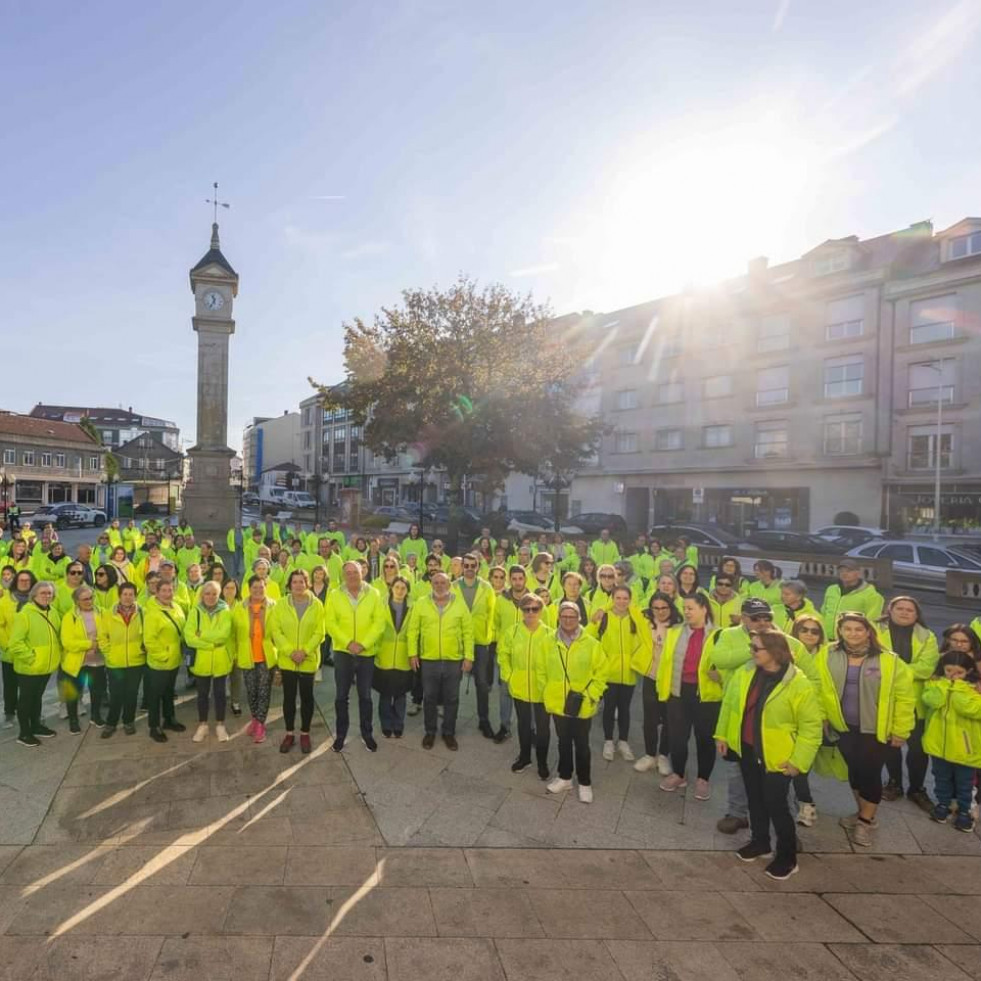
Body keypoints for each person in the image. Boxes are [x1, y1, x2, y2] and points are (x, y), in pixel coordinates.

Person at [715, 630, 822, 880]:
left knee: (777, 805)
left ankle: (787, 857)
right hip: (748, 749)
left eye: (755, 649)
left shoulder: (798, 683)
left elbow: (811, 728)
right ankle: (760, 842)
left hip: (778, 757)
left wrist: (798, 762)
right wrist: (722, 735)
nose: (750, 652)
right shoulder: (746, 672)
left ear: (774, 652)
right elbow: (730, 705)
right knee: (755, 799)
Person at [815, 611, 915, 847]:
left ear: (869, 631)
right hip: (843, 726)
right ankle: (864, 813)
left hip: (875, 729)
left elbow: (904, 698)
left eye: (859, 629)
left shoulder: (888, 660)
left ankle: (865, 821)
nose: (853, 634)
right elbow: (820, 688)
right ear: (839, 631)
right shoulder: (827, 654)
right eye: (847, 629)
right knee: (854, 771)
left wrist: (901, 730)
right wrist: (821, 717)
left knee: (870, 772)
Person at [538, 601, 607, 801]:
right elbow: (541, 670)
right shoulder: (547, 641)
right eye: (564, 616)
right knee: (563, 741)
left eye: (572, 616)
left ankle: (585, 781)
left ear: (579, 618)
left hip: (582, 704)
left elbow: (601, 672)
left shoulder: (592, 644)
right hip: (558, 703)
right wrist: (548, 692)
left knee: (582, 744)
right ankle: (565, 776)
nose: (568, 620)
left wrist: (591, 694)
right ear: (559, 617)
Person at [876, 596, 940, 811]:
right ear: (890, 610)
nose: (904, 613)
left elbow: (927, 668)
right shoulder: (875, 630)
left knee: (917, 748)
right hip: (885, 696)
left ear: (916, 614)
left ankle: (917, 789)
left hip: (915, 699)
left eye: (910, 610)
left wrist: (894, 670)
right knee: (890, 744)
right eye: (900, 608)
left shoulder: (927, 636)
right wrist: (904, 670)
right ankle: (894, 783)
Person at [657, 594, 718, 799]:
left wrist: (720, 676)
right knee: (677, 736)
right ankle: (679, 773)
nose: (687, 612)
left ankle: (703, 779)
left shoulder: (718, 635)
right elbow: (665, 663)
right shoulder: (675, 632)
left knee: (705, 738)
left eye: (691, 608)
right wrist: (663, 690)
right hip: (678, 691)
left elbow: (727, 666)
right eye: (685, 608)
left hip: (705, 695)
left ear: (704, 609)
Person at [408, 571, 474, 750]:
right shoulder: (421, 603)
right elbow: (413, 630)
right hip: (429, 659)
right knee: (429, 697)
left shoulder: (459, 604)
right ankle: (430, 732)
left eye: (443, 583)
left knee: (452, 698)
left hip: (454, 659)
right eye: (436, 583)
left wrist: (469, 656)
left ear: (449, 585)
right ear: (431, 585)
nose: (439, 586)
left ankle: (448, 733)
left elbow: (468, 632)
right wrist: (412, 654)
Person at [323, 562, 384, 753]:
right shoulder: (334, 595)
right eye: (347, 573)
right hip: (343, 652)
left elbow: (379, 622)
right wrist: (349, 643)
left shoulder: (373, 593)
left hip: (366, 653)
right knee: (341, 696)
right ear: (343, 575)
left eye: (355, 572)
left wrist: (363, 644)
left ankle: (367, 734)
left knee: (365, 696)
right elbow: (330, 623)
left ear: (362, 573)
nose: (351, 575)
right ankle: (341, 735)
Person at [921, 650, 981, 832]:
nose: (953, 676)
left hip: (965, 748)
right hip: (939, 744)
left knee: (965, 782)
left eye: (959, 673)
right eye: (948, 671)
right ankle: (943, 804)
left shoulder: (973, 690)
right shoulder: (935, 684)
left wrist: (959, 688)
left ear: (968, 671)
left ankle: (965, 811)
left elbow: (970, 709)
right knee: (941, 777)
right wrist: (943, 685)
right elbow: (932, 701)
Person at [498, 592, 553, 779]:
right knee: (523, 724)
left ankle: (543, 761)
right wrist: (509, 675)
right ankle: (524, 757)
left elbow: (556, 660)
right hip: (519, 686)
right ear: (521, 611)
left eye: (535, 609)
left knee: (543, 728)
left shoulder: (549, 634)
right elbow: (503, 654)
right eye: (526, 609)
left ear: (541, 610)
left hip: (542, 688)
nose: (531, 613)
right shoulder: (512, 631)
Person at [589, 584, 641, 762]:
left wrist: (636, 661)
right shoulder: (603, 617)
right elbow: (590, 637)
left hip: (629, 672)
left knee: (625, 708)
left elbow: (642, 641)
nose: (621, 601)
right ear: (612, 599)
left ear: (630, 600)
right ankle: (608, 740)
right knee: (609, 708)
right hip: (608, 672)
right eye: (618, 598)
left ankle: (624, 741)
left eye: (625, 598)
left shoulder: (635, 618)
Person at [632, 592, 680, 775]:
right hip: (650, 676)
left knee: (669, 718)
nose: (660, 611)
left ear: (671, 607)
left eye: (664, 608)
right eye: (656, 608)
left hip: (670, 678)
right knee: (650, 718)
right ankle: (650, 754)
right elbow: (627, 603)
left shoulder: (678, 626)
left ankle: (663, 756)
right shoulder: (646, 623)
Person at [9, 581, 62, 747]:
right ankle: (24, 733)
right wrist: (32, 658)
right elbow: (15, 643)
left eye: (49, 593)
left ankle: (36, 725)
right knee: (26, 700)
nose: (47, 596)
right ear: (34, 595)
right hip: (30, 667)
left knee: (37, 698)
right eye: (43, 593)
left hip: (46, 667)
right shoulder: (25, 614)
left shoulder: (53, 612)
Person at [787, 615, 827, 827]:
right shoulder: (786, 651)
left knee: (802, 763)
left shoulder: (828, 656)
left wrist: (822, 716)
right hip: (789, 715)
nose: (809, 634)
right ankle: (803, 802)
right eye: (804, 630)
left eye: (815, 631)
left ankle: (806, 803)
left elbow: (826, 691)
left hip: (815, 716)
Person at [184, 580, 234, 743]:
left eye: (215, 594)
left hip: (220, 660)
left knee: (220, 694)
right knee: (202, 695)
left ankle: (220, 725)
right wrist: (211, 644)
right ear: (202, 595)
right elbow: (190, 637)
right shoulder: (195, 611)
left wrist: (202, 635)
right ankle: (203, 725)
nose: (211, 597)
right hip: (202, 661)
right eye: (208, 593)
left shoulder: (225, 611)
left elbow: (224, 634)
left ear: (219, 595)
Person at [454, 553, 497, 739]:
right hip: (458, 640)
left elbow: (492, 613)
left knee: (481, 682)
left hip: (480, 640)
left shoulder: (486, 587)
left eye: (473, 565)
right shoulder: (454, 586)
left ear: (478, 567)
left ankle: (484, 719)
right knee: (453, 682)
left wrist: (489, 636)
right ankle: (451, 719)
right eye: (467, 565)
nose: (470, 568)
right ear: (462, 567)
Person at [233, 575, 278, 744]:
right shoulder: (240, 607)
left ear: (266, 587)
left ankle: (260, 724)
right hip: (247, 654)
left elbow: (278, 631)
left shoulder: (274, 606)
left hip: (266, 655)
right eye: (255, 588)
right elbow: (235, 632)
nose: (258, 591)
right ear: (249, 589)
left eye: (261, 587)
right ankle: (254, 718)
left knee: (264, 691)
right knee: (251, 691)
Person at [143, 579, 188, 742]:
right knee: (155, 695)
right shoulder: (152, 613)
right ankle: (154, 726)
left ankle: (169, 719)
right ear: (157, 592)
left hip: (174, 660)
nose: (168, 594)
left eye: (170, 590)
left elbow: (181, 629)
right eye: (164, 591)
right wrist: (164, 655)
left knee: (169, 692)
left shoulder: (176, 607)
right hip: (159, 662)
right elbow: (149, 641)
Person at [98, 582, 145, 738]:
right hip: (115, 662)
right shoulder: (108, 614)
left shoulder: (143, 613)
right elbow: (102, 637)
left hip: (136, 661)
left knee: (131, 693)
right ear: (119, 596)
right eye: (125, 594)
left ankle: (128, 721)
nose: (128, 597)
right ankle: (111, 723)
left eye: (131, 594)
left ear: (135, 596)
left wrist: (141, 651)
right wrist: (109, 653)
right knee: (116, 694)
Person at [59, 584, 108, 732]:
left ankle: (96, 715)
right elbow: (67, 642)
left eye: (91, 597)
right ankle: (73, 720)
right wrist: (90, 644)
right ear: (77, 601)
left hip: (97, 661)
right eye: (84, 599)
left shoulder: (103, 612)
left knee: (97, 690)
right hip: (76, 662)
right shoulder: (70, 617)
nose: (89, 601)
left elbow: (108, 634)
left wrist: (99, 644)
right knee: (73, 692)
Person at [374, 576, 414, 738]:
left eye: (403, 588)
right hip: (384, 655)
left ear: (407, 591)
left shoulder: (413, 608)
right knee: (385, 694)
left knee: (400, 694)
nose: (399, 591)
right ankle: (386, 723)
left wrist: (413, 654)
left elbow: (413, 632)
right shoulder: (381, 605)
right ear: (391, 589)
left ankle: (398, 724)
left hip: (403, 657)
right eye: (397, 587)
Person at [1, 569, 36, 728]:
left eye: (27, 580)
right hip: (10, 652)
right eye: (21, 580)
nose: (24, 583)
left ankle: (33, 712)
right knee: (10, 684)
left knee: (29, 685)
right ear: (16, 582)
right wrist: (8, 645)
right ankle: (10, 713)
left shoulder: (36, 600)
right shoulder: (4, 601)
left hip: (30, 651)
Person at [819, 558, 884, 636]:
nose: (844, 574)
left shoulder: (871, 595)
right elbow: (823, 612)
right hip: (826, 638)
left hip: (852, 639)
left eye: (848, 571)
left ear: (858, 573)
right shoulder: (831, 589)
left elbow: (872, 621)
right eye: (841, 571)